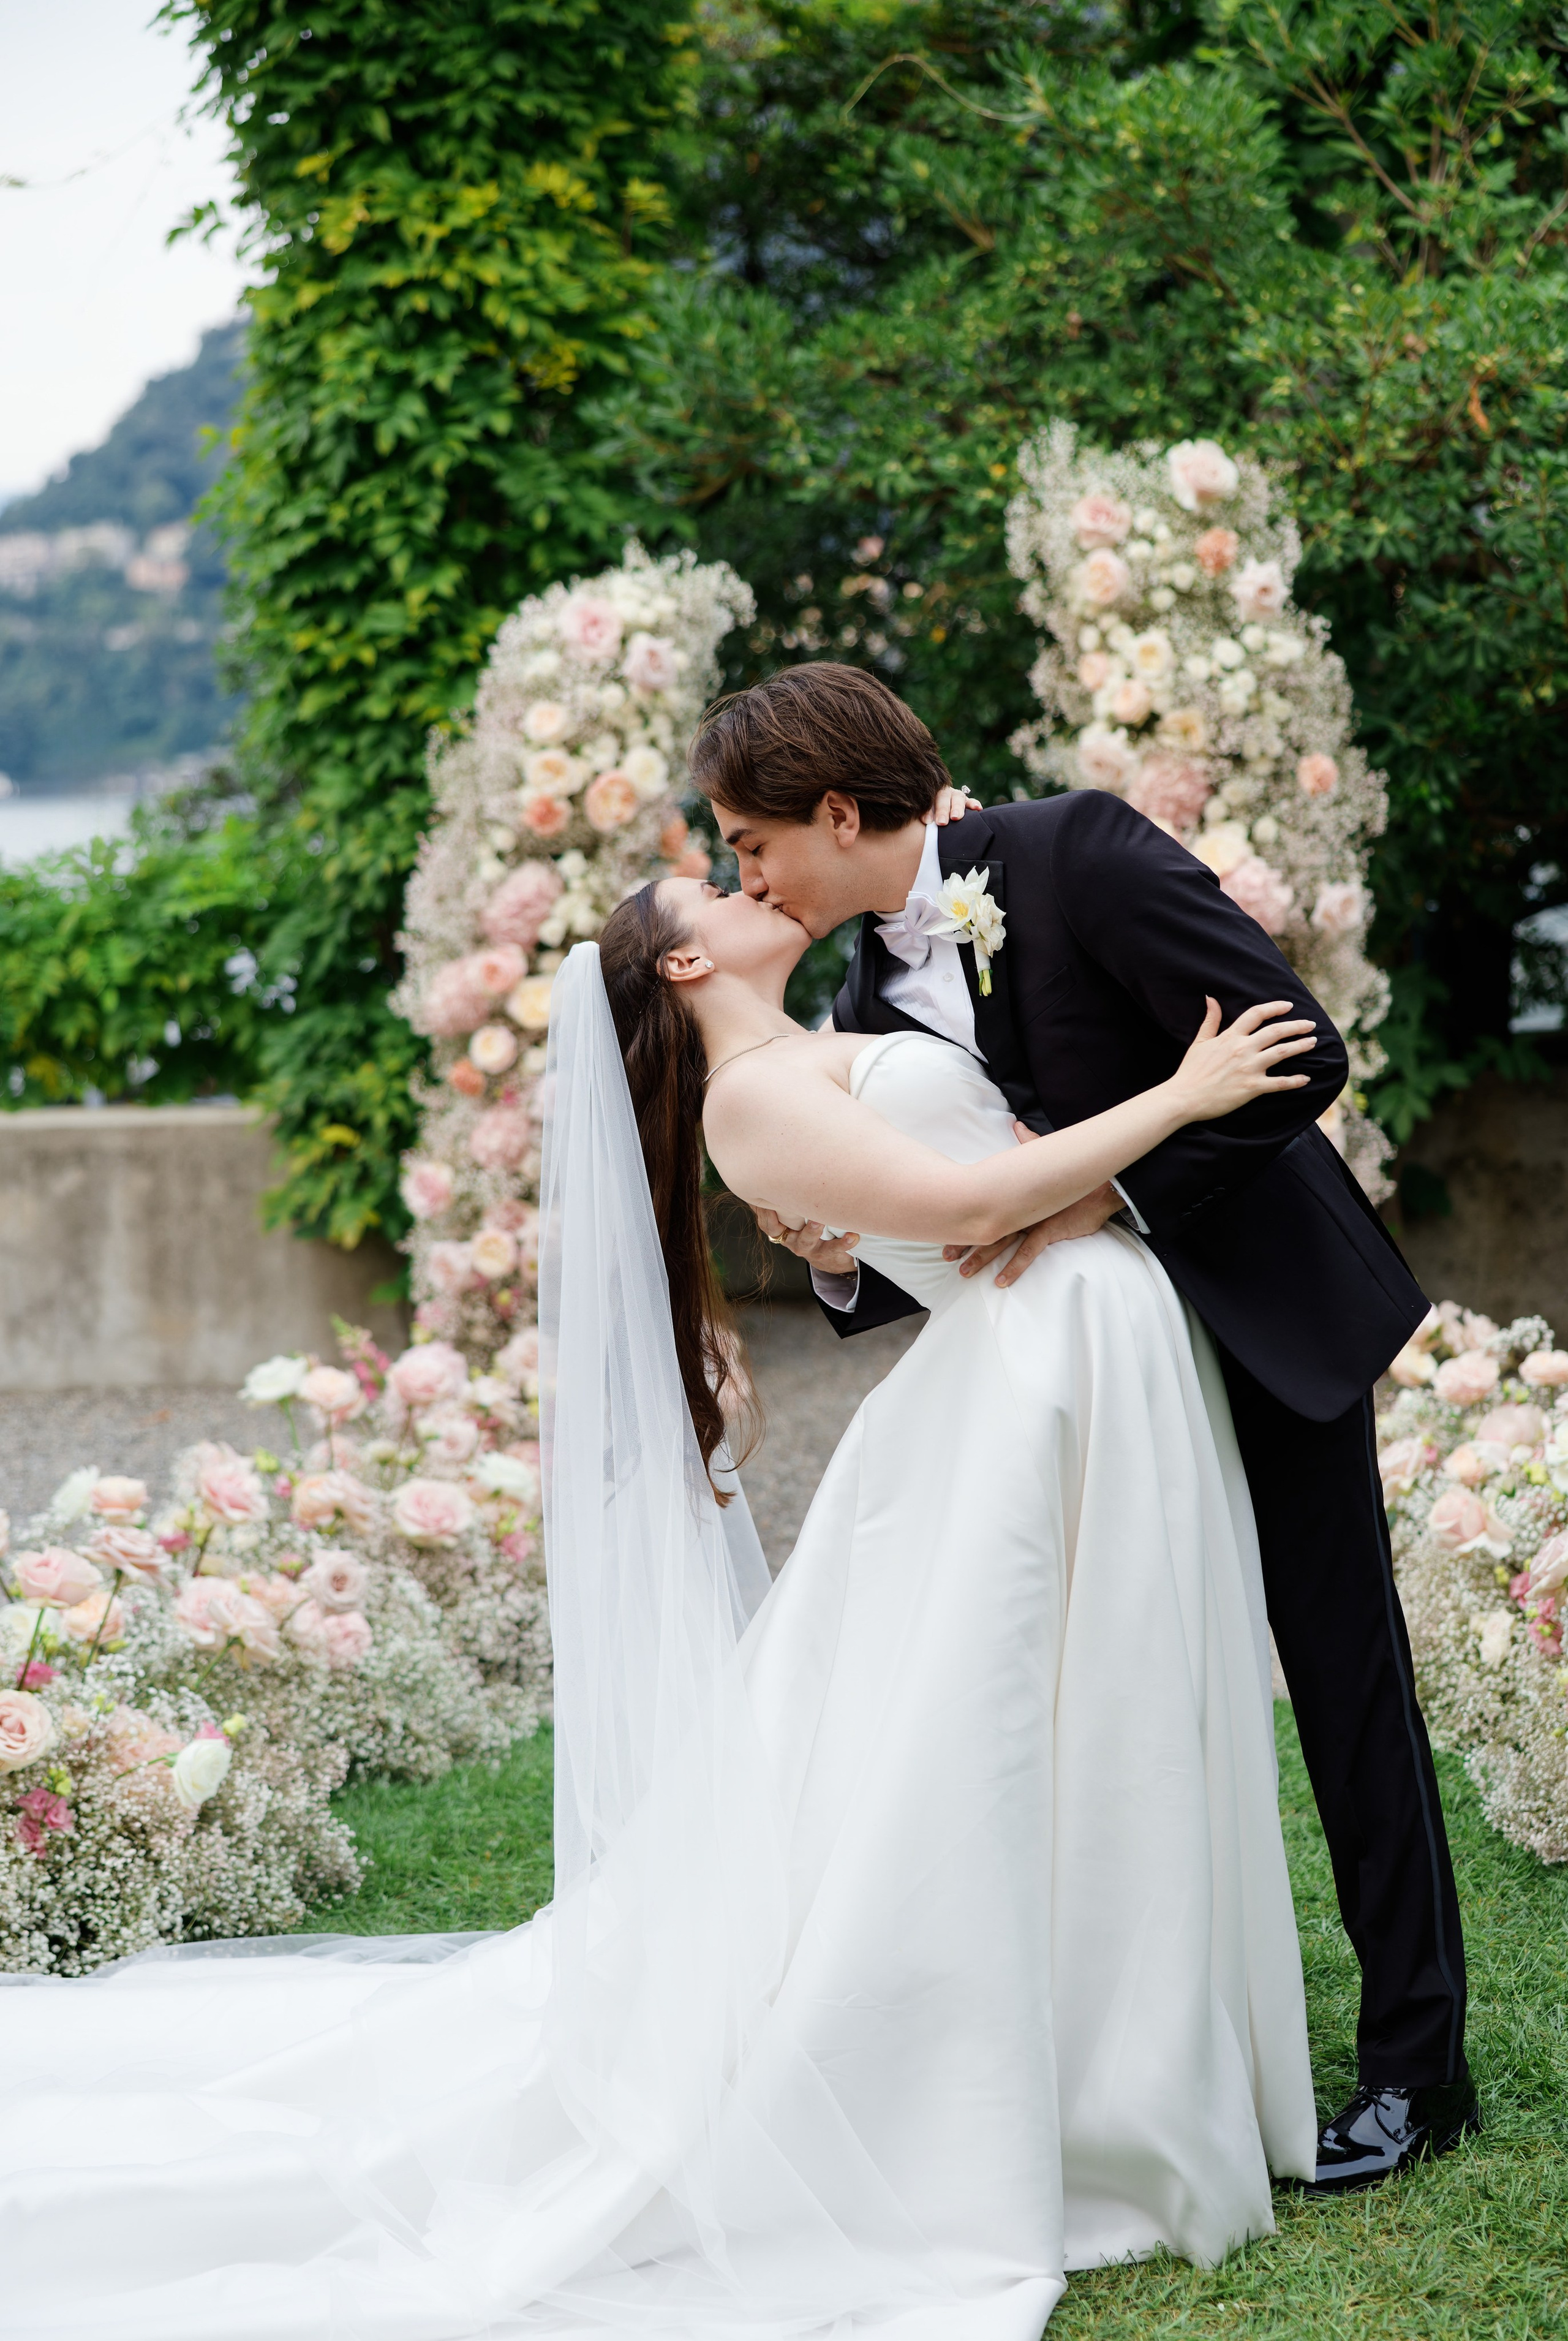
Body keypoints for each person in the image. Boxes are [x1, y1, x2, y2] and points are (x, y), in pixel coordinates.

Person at [1, 885, 1320, 2339]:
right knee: (987, 1751)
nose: (754, 881)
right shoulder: (747, 1099)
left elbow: (938, 1183)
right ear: (687, 958)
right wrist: (1181, 1097)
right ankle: (1046, 2085)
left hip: (1057, 1361)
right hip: (1018, 1384)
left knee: (1072, 1729)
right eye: (721, 882)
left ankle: (1113, 2048)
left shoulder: (830, 1037)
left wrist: (842, 1247)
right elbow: (963, 1210)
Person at [689, 660, 1479, 2192]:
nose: (749, 877)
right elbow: (958, 1228)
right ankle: (1146, 2035)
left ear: (837, 812)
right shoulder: (858, 1003)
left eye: (752, 844)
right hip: (1092, 1393)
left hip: (1256, 1321)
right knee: (1121, 1703)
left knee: (1342, 1683)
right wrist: (837, 1258)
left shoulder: (1073, 851)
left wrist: (1108, 1194)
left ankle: (1412, 2069)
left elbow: (1295, 1051)